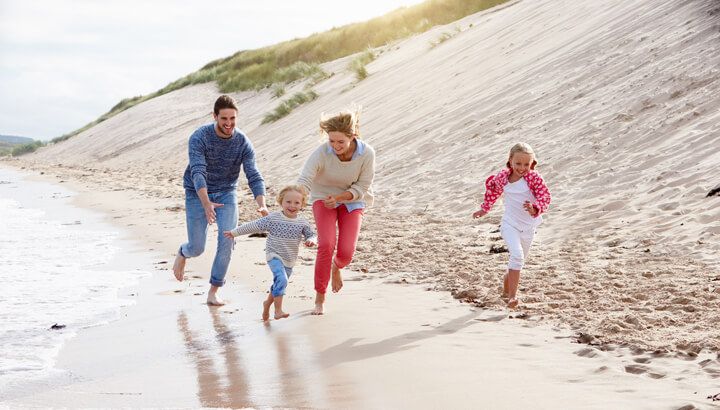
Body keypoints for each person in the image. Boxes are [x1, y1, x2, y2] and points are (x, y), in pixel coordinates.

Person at [173, 95, 268, 306]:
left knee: (228, 239)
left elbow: (253, 174)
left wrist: (261, 203)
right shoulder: (199, 137)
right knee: (197, 248)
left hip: (226, 192)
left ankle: (214, 290)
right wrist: (206, 203)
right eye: (223, 118)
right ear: (214, 116)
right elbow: (198, 172)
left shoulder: (242, 142)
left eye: (232, 118)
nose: (228, 123)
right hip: (197, 192)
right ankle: (183, 252)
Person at [297, 108, 375, 315]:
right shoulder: (323, 153)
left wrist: (340, 198)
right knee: (326, 244)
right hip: (323, 198)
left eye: (341, 142)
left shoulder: (367, 154)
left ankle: (336, 267)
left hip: (352, 201)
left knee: (346, 254)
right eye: (332, 141)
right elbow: (305, 178)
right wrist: (299, 196)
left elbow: (363, 187)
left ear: (353, 136)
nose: (335, 146)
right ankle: (320, 297)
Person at [472, 142, 551, 309]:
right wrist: (484, 209)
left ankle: (506, 291)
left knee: (517, 262)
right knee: (517, 256)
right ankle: (512, 298)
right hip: (509, 224)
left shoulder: (534, 179)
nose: (521, 168)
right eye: (518, 163)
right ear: (510, 161)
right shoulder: (502, 178)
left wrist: (534, 207)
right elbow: (492, 192)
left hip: (528, 227)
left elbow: (545, 197)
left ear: (532, 164)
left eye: (526, 164)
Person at [223, 185, 317, 321]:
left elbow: (311, 234)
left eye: (297, 202)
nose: (292, 205)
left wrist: (311, 240)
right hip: (274, 255)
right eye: (288, 202)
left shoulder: (302, 222)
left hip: (290, 259)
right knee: (282, 280)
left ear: (302, 204)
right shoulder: (273, 218)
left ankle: (267, 304)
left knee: (279, 283)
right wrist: (234, 232)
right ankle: (278, 310)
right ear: (281, 202)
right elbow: (254, 225)